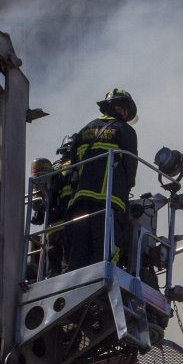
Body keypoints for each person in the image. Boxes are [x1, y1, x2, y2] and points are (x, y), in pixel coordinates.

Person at [65, 88, 138, 271]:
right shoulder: (125, 130)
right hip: (108, 200)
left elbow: (73, 165)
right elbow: (130, 166)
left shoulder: (84, 130)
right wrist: (126, 189)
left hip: (80, 202)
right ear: (123, 109)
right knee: (104, 249)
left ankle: (75, 285)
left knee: (80, 249)